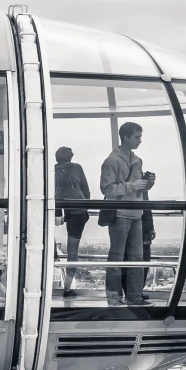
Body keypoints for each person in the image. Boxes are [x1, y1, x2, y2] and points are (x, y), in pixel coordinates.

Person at [99, 122, 155, 305]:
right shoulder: (112, 161)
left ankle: (134, 296)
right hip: (120, 214)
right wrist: (133, 186)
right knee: (117, 256)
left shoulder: (137, 160)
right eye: (137, 137)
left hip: (135, 213)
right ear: (126, 137)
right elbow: (106, 189)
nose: (140, 140)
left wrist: (146, 184)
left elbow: (136, 190)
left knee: (136, 258)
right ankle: (115, 297)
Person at [54, 146, 90, 295]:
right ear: (71, 157)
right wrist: (85, 206)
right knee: (72, 251)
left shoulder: (51, 170)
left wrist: (57, 212)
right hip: (77, 210)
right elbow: (86, 190)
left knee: (45, 244)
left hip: (55, 209)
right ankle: (67, 288)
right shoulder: (77, 168)